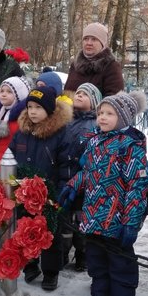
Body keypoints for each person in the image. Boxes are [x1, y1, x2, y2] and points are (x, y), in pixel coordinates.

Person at [61, 91, 148, 296]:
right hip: (93, 214)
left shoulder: (130, 146)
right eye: (100, 112)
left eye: (110, 113)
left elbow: (137, 186)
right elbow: (88, 170)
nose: (102, 117)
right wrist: (73, 185)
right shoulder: (95, 141)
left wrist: (131, 221)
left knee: (120, 263)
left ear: (124, 118)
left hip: (117, 217)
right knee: (96, 260)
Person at [8, 86, 72, 291]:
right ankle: (29, 266)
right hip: (24, 193)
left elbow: (65, 166)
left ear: (49, 110)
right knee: (25, 231)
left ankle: (51, 272)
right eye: (30, 107)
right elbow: (10, 157)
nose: (33, 112)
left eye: (38, 107)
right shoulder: (22, 132)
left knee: (50, 234)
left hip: (49, 194)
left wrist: (60, 192)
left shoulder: (60, 133)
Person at [61, 82, 102, 272]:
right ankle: (63, 251)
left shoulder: (96, 124)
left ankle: (82, 254)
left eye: (85, 94)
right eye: (78, 92)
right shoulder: (66, 120)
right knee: (65, 220)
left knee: (82, 219)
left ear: (94, 102)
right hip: (66, 176)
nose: (79, 95)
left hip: (85, 180)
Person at [0, 76, 31, 178]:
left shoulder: (22, 118)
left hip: (10, 168)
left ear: (20, 95)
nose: (4, 94)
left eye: (9, 92)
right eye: (2, 91)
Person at [64, 23, 124, 97]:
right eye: (86, 39)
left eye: (94, 39)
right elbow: (66, 92)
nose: (89, 43)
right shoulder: (75, 65)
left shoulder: (111, 67)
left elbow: (114, 99)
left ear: (102, 44)